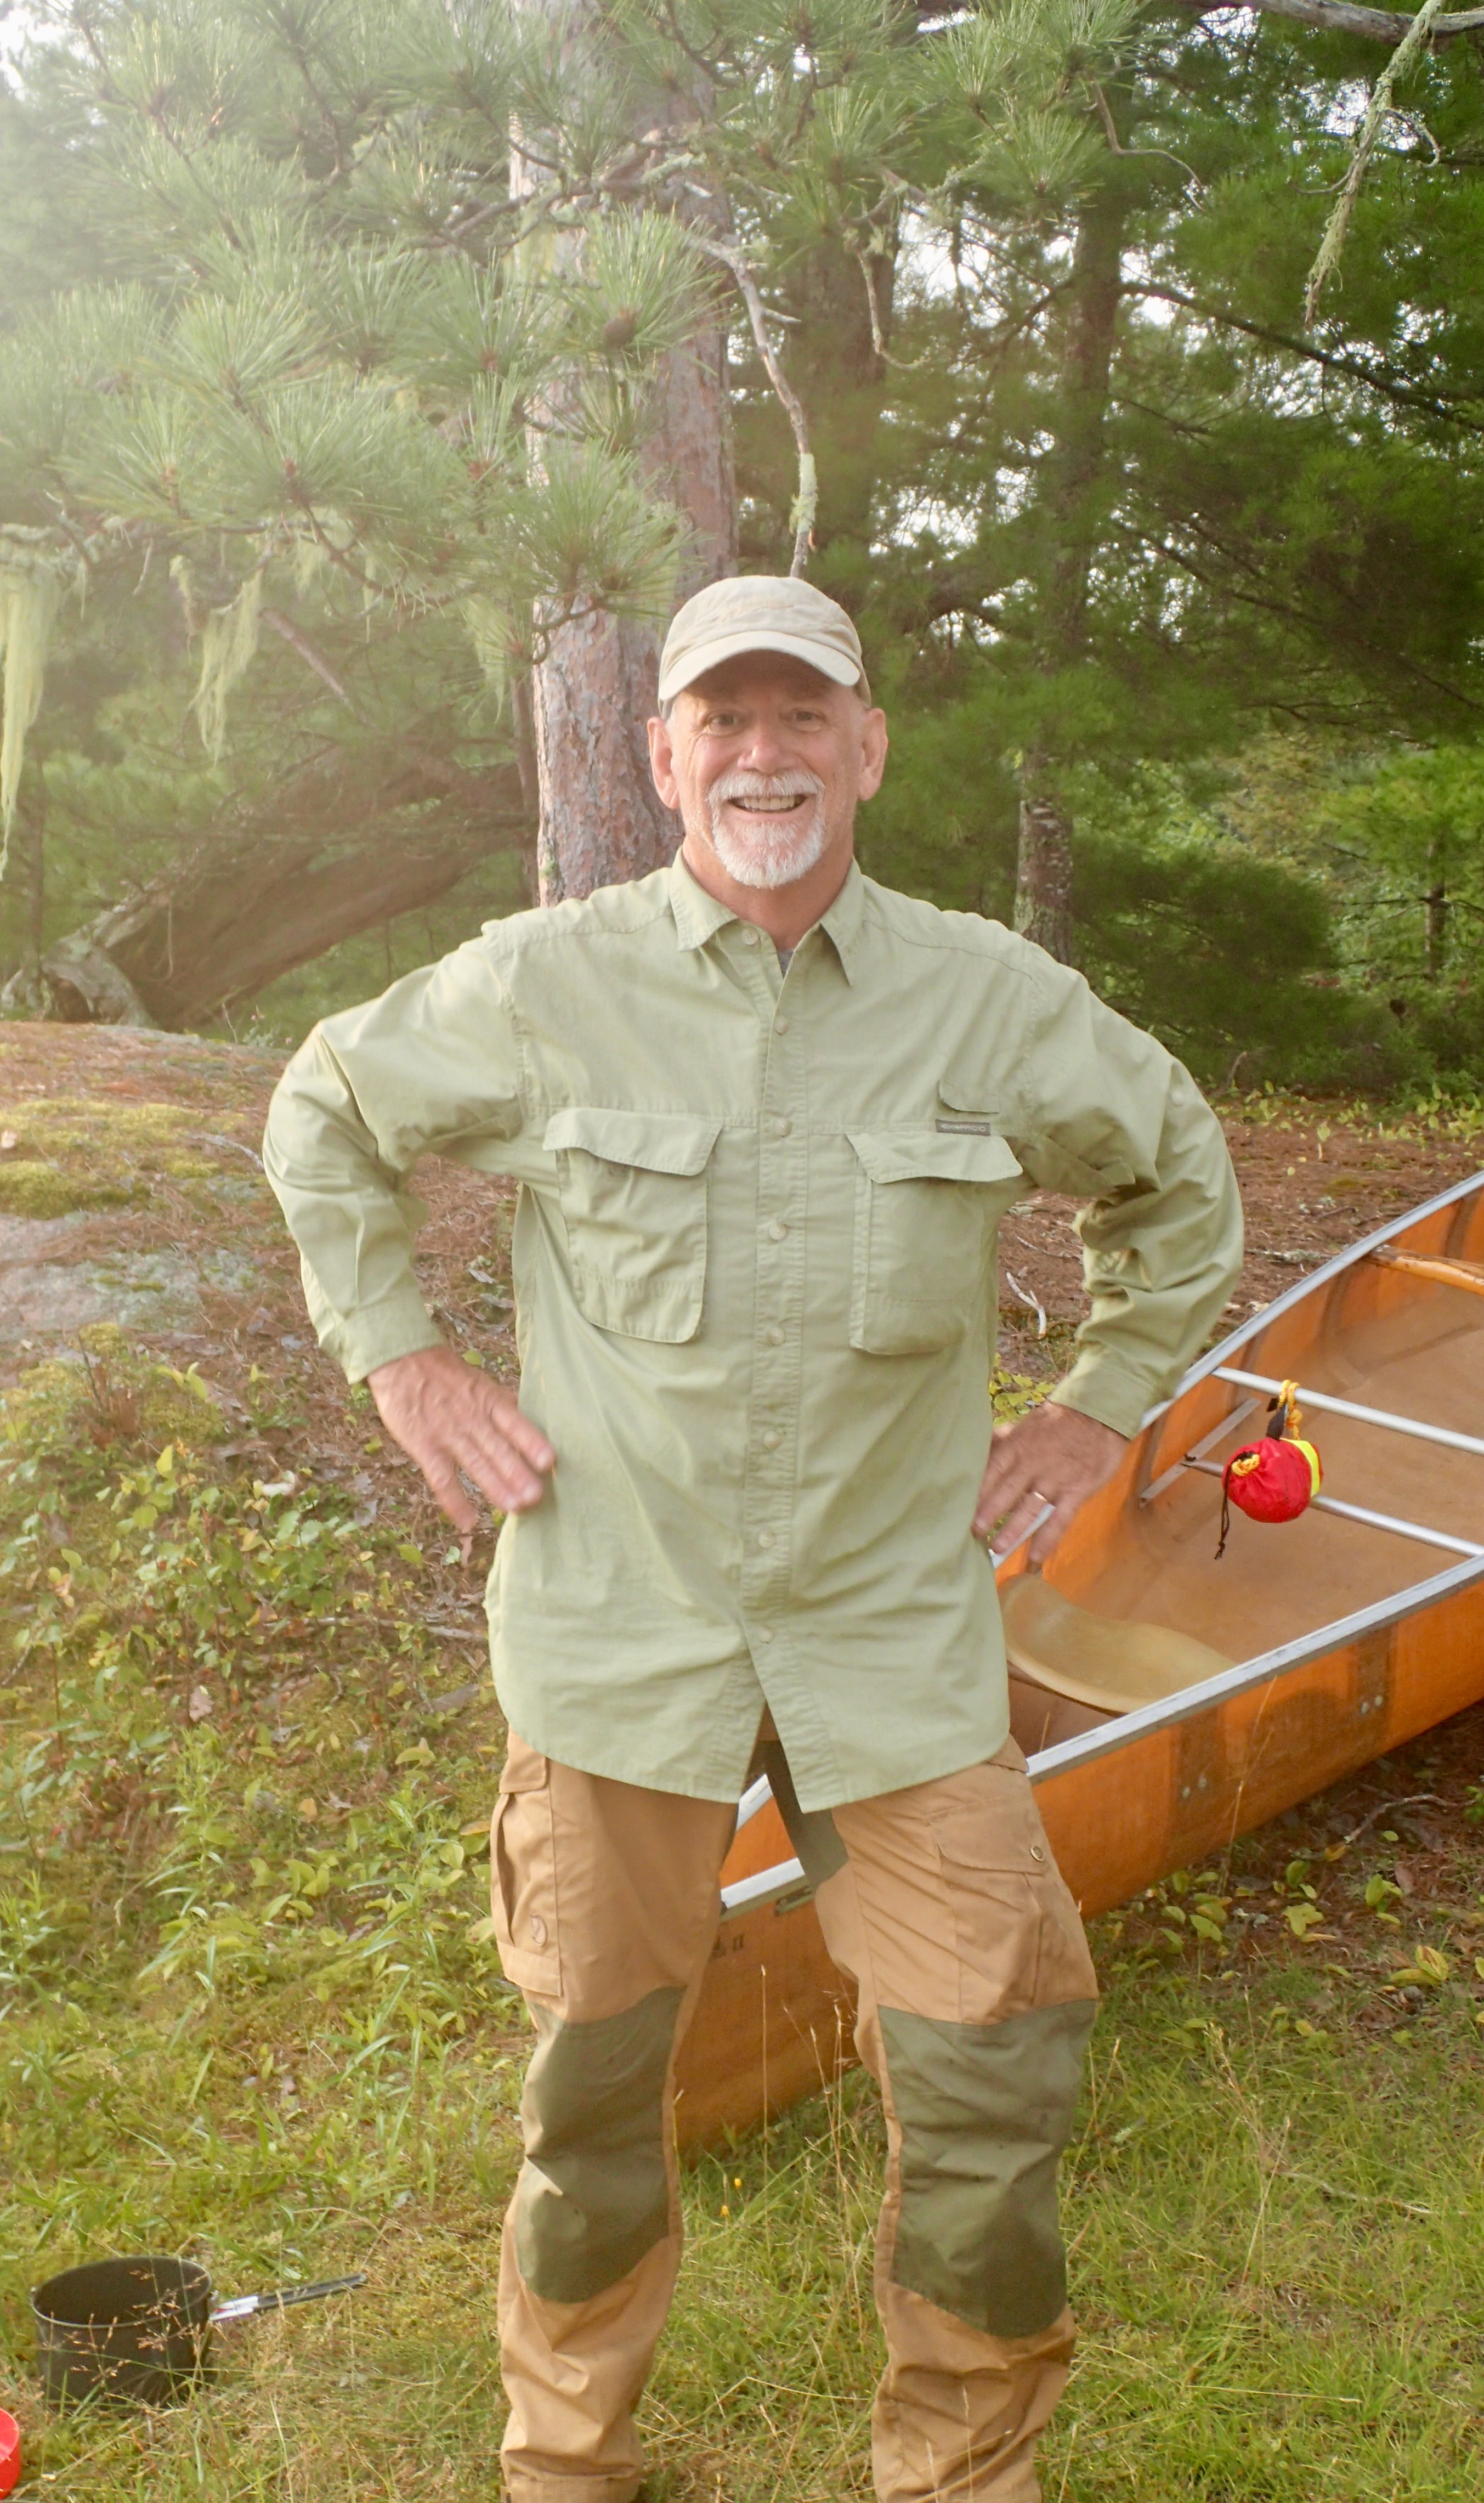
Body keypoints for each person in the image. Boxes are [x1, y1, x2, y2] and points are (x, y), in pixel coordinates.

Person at [263, 574, 1242, 2502]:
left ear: (866, 750)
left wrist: (1093, 1406)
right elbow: (327, 1110)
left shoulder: (989, 998)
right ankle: (567, 2462)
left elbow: (1179, 1180)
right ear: (659, 762)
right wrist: (401, 1360)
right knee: (596, 2096)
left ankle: (964, 2472)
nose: (763, 755)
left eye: (804, 717)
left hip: (892, 1648)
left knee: (990, 2064)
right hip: (618, 1643)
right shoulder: (545, 983)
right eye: (723, 721)